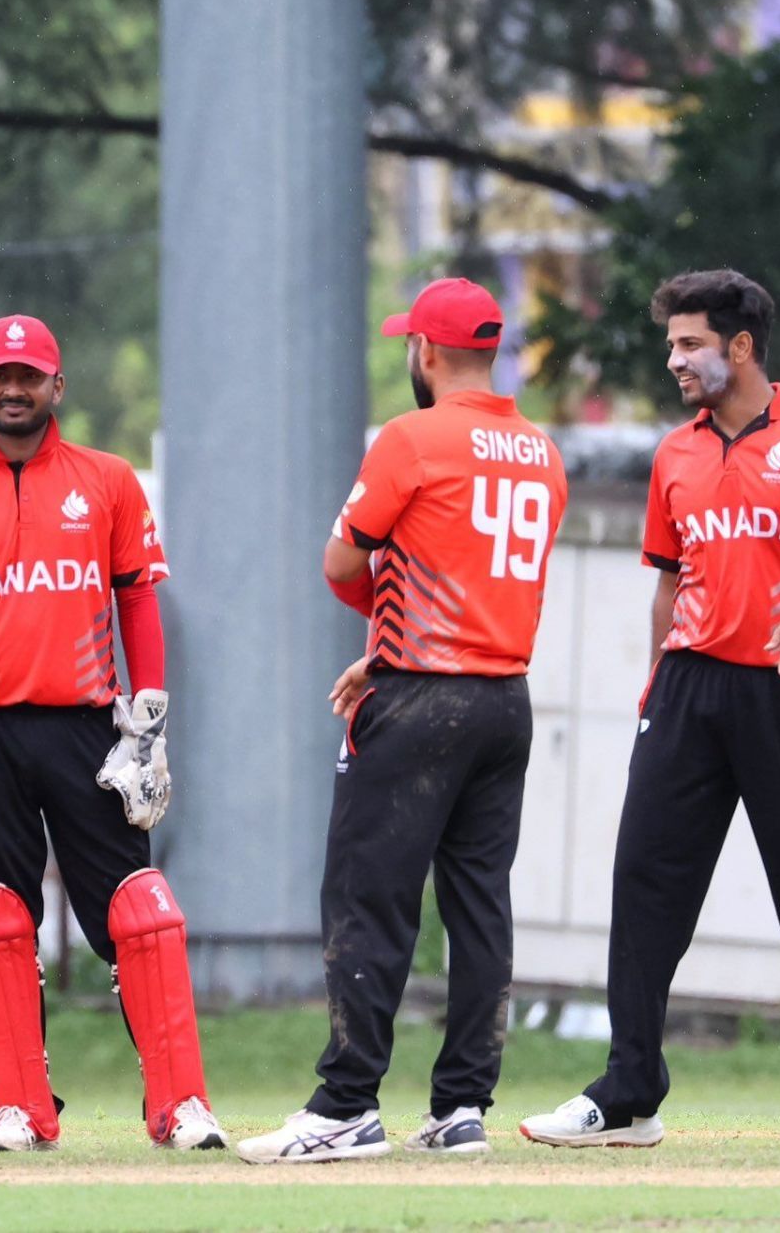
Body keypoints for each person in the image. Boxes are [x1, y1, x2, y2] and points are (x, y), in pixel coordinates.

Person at [522, 268, 780, 1153]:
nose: (674, 359)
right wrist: (654, 688)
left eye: (689, 344)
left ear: (741, 347)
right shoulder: (675, 453)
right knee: (644, 884)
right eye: (672, 343)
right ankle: (629, 1092)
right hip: (685, 690)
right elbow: (670, 581)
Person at [238, 278, 568, 1164]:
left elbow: (343, 558)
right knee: (478, 907)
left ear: (425, 351)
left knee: (367, 896)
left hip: (421, 698)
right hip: (506, 701)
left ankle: (346, 1100)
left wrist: (387, 634)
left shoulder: (413, 436)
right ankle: (462, 1106)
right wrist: (392, 638)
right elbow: (486, 575)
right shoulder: (541, 450)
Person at [0, 314, 225, 1154]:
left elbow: (137, 596)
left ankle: (180, 1105)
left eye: (30, 376)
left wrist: (148, 716)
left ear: (56, 387)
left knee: (139, 916)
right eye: (1, 375)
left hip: (85, 726)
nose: (15, 389)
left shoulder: (107, 481)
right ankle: (23, 1112)